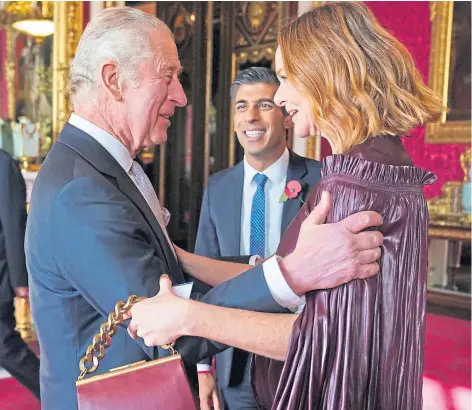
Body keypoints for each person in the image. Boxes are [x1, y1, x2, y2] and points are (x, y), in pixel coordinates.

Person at [25, 7, 383, 410]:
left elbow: (173, 286)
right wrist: (291, 273)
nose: (181, 95)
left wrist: (266, 267)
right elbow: (168, 328)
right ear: (113, 80)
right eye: (168, 76)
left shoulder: (102, 169)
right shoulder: (81, 190)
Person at [128, 2, 442, 409]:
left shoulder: (350, 187)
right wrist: (180, 257)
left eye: (285, 77)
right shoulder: (389, 167)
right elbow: (282, 275)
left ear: (324, 73)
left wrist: (188, 317)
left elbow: (319, 342)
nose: (279, 96)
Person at [195, 67, 321, 410]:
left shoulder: (323, 180)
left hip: (299, 357)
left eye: (264, 104)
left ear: (287, 116)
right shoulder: (217, 188)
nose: (251, 116)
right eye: (241, 106)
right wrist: (204, 366)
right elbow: (203, 277)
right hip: (232, 360)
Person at [0, 149, 40, 399]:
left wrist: (19, 279)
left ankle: (64, 398)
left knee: (5, 345)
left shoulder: (4, 165)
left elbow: (14, 223)